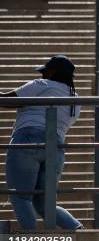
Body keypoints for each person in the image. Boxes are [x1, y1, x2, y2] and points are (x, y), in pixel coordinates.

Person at [0, 55, 82, 230]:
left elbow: (6, 100)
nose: (44, 75)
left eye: (46, 72)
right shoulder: (75, 99)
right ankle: (77, 230)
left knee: (21, 197)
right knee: (45, 204)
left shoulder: (42, 84)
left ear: (52, 72)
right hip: (56, 148)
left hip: (28, 141)